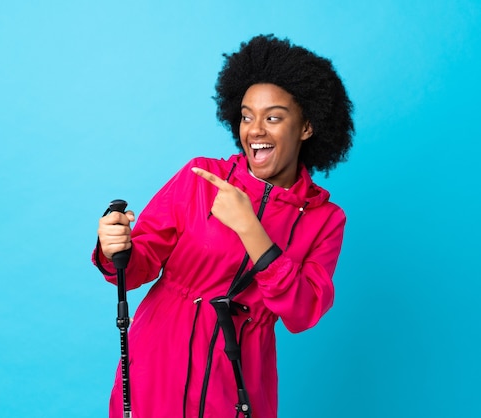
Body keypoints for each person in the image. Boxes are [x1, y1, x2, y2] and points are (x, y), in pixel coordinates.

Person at [92, 34, 354, 418]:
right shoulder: (202, 177)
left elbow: (302, 312)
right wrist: (116, 247)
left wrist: (251, 229)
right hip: (159, 358)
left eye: (273, 117)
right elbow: (138, 267)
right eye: (247, 116)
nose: (256, 130)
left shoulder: (324, 219)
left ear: (307, 127)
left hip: (240, 376)